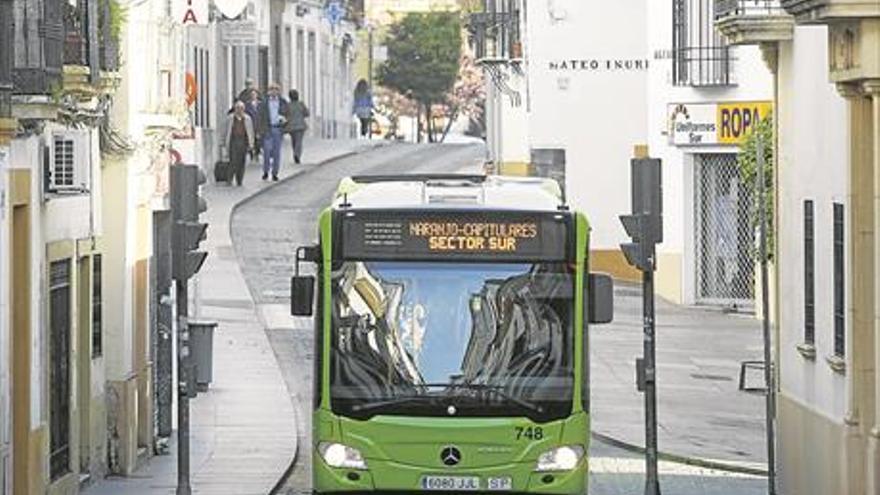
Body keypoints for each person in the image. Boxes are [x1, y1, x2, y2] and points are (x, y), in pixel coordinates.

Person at [255, 82, 290, 181]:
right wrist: (259, 130)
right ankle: (266, 171)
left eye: (276, 89)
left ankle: (275, 173)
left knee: (276, 153)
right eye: (272, 89)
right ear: (269, 91)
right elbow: (259, 117)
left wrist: (285, 121)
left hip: (278, 129)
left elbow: (288, 114)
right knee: (266, 151)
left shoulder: (283, 102)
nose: (274, 91)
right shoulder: (264, 103)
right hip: (267, 129)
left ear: (278, 91)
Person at [222, 101, 255, 186]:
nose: (239, 110)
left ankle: (239, 180)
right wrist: (223, 142)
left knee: (241, 162)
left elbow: (250, 132)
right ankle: (229, 179)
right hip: (233, 141)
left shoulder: (247, 119)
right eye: (238, 108)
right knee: (233, 161)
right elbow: (225, 131)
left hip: (243, 142)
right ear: (235, 109)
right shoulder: (230, 118)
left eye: (241, 108)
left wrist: (251, 144)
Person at [286, 89, 310, 164]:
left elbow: (284, 113)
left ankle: (295, 153)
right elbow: (307, 113)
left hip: (291, 126)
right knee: (299, 142)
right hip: (300, 126)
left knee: (294, 141)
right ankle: (297, 155)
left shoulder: (288, 105)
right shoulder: (301, 104)